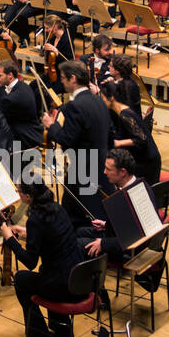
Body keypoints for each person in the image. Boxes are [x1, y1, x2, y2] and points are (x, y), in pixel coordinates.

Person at [0, 181, 83, 337]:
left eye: (19, 192)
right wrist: (28, 232)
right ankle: (61, 330)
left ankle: (39, 336)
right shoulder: (57, 208)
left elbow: (30, 262)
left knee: (22, 279)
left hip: (64, 287)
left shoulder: (36, 219)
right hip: (79, 278)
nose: (18, 194)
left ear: (29, 197)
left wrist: (10, 239)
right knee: (45, 269)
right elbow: (50, 234)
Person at [42, 61, 111, 221]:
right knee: (82, 210)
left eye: (64, 78)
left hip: (83, 168)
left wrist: (51, 126)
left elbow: (67, 141)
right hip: (100, 162)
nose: (62, 82)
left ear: (73, 78)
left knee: (78, 215)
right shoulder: (98, 100)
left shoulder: (75, 106)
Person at [0, 61, 42, 148]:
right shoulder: (23, 85)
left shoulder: (12, 99)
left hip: (24, 139)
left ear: (10, 75)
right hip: (33, 131)